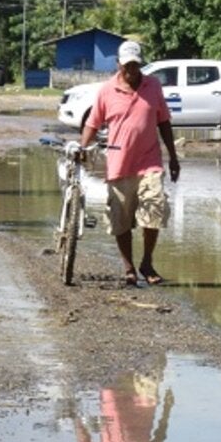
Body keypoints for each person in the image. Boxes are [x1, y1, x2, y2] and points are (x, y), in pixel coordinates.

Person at [78, 40, 180, 286]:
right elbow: (92, 123)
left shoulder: (153, 86)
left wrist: (173, 156)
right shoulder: (106, 90)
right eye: (127, 66)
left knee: (154, 209)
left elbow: (163, 122)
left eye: (135, 65)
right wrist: (82, 148)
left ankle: (147, 263)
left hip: (150, 161)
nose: (131, 70)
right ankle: (128, 267)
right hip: (119, 163)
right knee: (121, 218)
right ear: (118, 65)